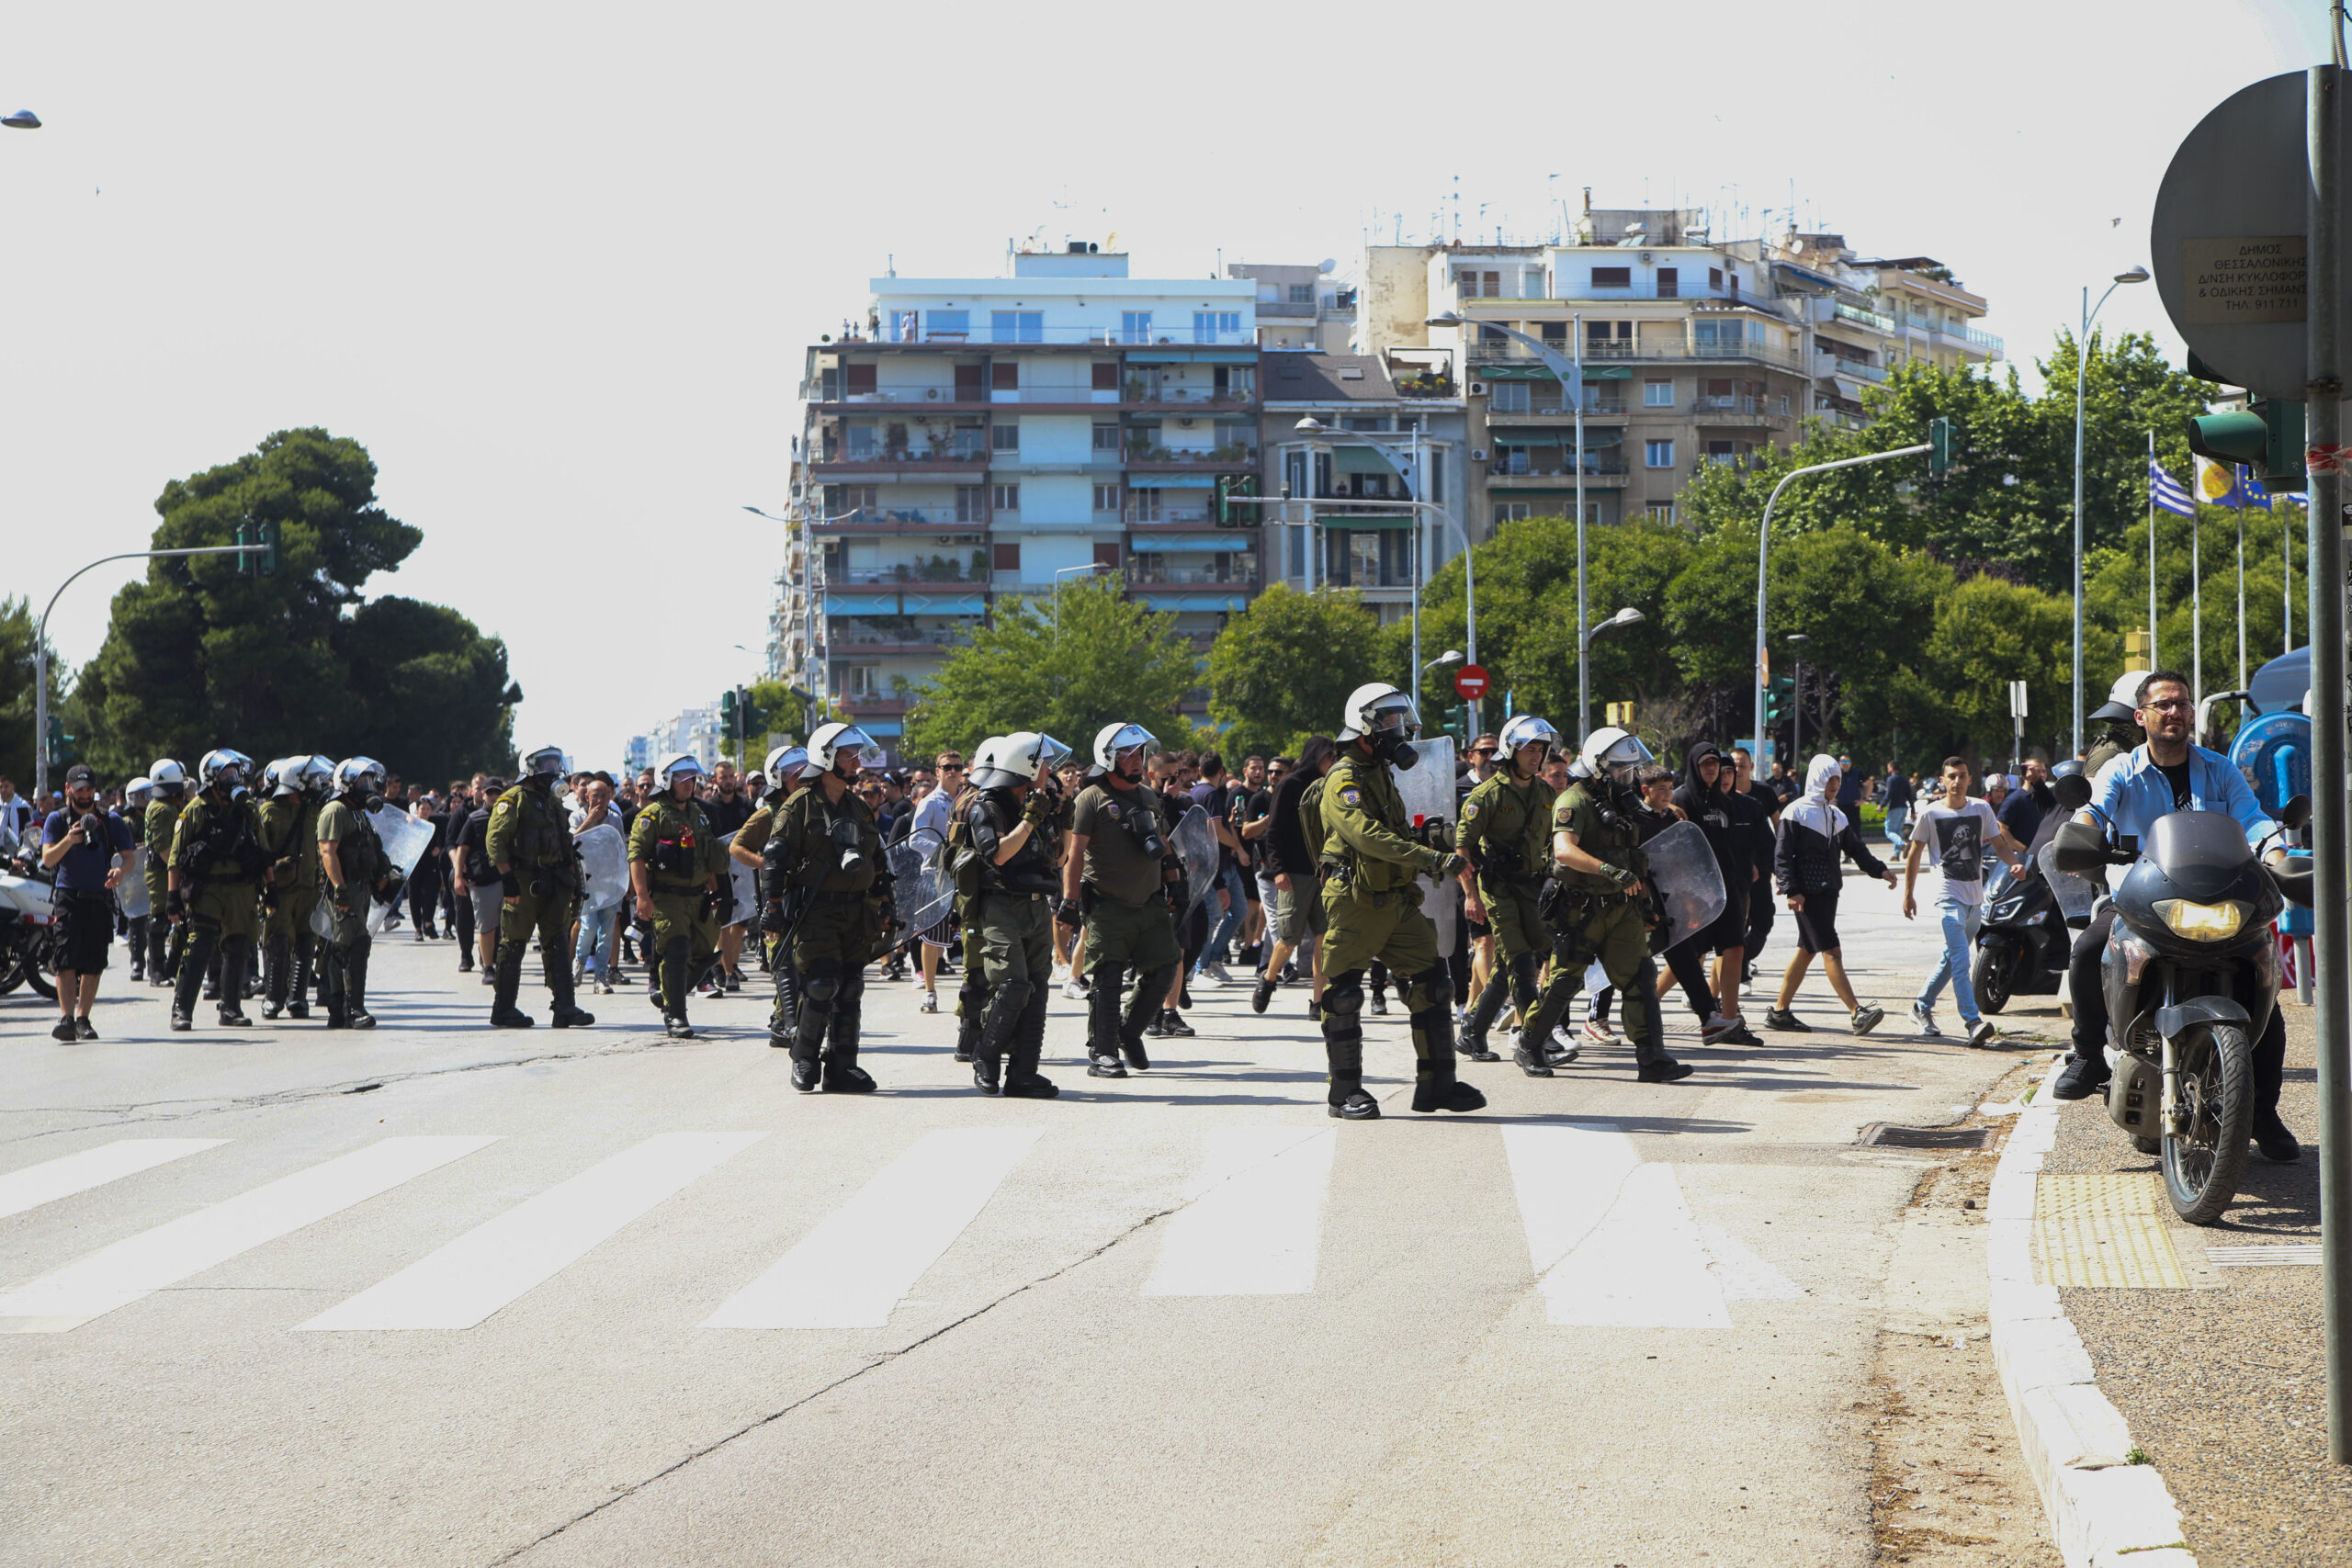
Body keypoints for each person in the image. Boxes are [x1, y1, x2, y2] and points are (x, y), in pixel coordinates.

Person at [2051, 671, 2301, 1162]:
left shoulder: (2220, 769)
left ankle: (2263, 1112)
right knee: (2084, 951)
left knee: (2263, 985)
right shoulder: (2120, 771)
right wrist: (2082, 831)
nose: (2175, 712)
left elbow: (2251, 819)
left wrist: (2275, 853)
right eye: (2164, 705)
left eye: (2183, 704)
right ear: (2141, 716)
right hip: (2141, 902)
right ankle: (2086, 1056)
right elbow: (2095, 813)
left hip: (2216, 898)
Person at [1314, 683, 1484, 1120]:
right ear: (1365, 727)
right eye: (1389, 720)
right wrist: (1431, 857)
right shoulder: (1343, 779)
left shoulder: (1379, 772)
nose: (1399, 728)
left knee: (1435, 984)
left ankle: (1437, 1085)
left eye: (1399, 719)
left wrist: (1426, 842)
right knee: (1345, 994)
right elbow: (1366, 836)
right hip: (1356, 899)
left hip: (1397, 899)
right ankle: (1343, 1093)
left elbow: (1395, 832)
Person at [1514, 728, 1692, 1084]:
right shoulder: (1573, 801)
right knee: (1565, 981)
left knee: (1640, 976)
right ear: (1599, 767)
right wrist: (1608, 870)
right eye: (1620, 770)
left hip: (1621, 906)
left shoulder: (1615, 804)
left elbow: (1632, 856)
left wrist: (1643, 905)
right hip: (1581, 909)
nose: (1626, 778)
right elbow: (1564, 850)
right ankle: (1530, 1044)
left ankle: (1651, 1058)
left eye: (1629, 770)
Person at [766, 724, 887, 1089]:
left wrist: (886, 903)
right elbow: (775, 858)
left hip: (855, 912)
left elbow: (877, 860)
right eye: (848, 755)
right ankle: (803, 1059)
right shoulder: (799, 805)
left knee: (851, 987)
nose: (856, 762)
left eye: (855, 754)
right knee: (820, 986)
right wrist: (772, 909)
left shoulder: (858, 807)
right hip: (815, 911)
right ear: (827, 758)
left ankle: (841, 1066)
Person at [1064, 722, 1182, 1082]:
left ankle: (1129, 1031)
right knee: (1108, 979)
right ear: (1108, 758)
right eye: (1128, 755)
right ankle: (1102, 1052)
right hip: (1107, 904)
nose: (1136, 761)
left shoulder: (1148, 796)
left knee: (1166, 966)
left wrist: (1174, 884)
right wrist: (1069, 902)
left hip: (1149, 902)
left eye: (1139, 754)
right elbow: (1076, 852)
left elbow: (1163, 844)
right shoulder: (1090, 798)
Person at [958, 731, 1068, 1092]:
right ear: (1028, 766)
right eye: (1045, 764)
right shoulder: (986, 806)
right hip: (1001, 906)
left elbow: (1061, 857)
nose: (1050, 771)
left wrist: (1059, 812)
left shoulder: (1036, 804)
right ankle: (986, 1054)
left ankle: (1023, 1073)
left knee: (1037, 989)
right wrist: (1031, 818)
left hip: (1038, 906)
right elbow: (999, 854)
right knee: (1012, 985)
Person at [1457, 714, 1563, 1075]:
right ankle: (1532, 1042)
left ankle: (1472, 1029)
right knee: (1521, 963)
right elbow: (1463, 849)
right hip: (1498, 889)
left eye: (1540, 749)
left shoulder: (1546, 792)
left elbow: (1552, 841)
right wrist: (1471, 896)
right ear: (1511, 751)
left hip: (1532, 888)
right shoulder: (1485, 796)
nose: (1536, 757)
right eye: (1528, 749)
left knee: (1510, 964)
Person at [1764, 755, 1895, 1034]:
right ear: (1816, 779)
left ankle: (1779, 1012)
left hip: (1829, 893)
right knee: (1831, 950)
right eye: (1829, 779)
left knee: (1807, 950)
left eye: (1837, 778)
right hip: (1807, 896)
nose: (1835, 784)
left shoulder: (1837, 815)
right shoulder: (1794, 812)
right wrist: (1792, 890)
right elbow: (1782, 856)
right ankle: (1856, 1012)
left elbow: (1857, 850)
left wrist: (1880, 870)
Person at [1902, 755, 2026, 1047]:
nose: (1957, 781)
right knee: (1961, 960)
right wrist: (1908, 894)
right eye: (1951, 776)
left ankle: (1921, 1006)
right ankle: (1972, 1021)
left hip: (1974, 898)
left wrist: (2013, 864)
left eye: (1962, 775)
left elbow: (1999, 843)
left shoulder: (1981, 808)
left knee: (1950, 956)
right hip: (1947, 896)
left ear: (1970, 780)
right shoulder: (1931, 814)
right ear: (1942, 781)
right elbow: (1914, 854)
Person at [486, 746, 596, 1030]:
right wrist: (507, 878)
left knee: (557, 941)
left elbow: (564, 840)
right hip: (522, 881)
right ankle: (504, 1009)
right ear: (530, 767)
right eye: (546, 762)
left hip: (554, 880)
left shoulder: (553, 802)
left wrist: (572, 876)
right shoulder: (513, 800)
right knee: (514, 944)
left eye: (554, 761)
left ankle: (565, 1007)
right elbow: (495, 841)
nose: (553, 767)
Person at [167, 749, 266, 1032]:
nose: (232, 779)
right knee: (199, 946)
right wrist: (173, 897)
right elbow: (175, 858)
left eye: (234, 773)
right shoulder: (196, 809)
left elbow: (262, 850)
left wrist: (269, 886)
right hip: (207, 890)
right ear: (211, 778)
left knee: (238, 947)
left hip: (241, 890)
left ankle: (231, 1008)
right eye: (225, 774)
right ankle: (182, 1010)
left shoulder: (246, 808)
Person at [630, 753, 728, 1040]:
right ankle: (676, 1016)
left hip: (698, 897)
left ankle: (668, 993)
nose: (689, 783)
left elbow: (709, 855)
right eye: (681, 778)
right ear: (666, 781)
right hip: (667, 897)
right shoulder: (652, 816)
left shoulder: (698, 813)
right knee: (677, 950)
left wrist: (717, 891)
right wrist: (642, 896)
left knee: (704, 954)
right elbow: (636, 856)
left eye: (691, 777)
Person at [1668, 743, 1758, 1045]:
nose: (1711, 769)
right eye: (1705, 764)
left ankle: (1729, 1022)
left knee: (1734, 949)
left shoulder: (1724, 800)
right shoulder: (1681, 798)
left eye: (1715, 764)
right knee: (1685, 958)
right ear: (1694, 765)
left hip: (1725, 886)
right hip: (1693, 892)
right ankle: (1646, 1008)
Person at [39, 764, 137, 1042]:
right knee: (65, 960)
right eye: (80, 789)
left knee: (94, 962)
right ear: (68, 789)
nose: (86, 794)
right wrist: (69, 840)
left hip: (99, 898)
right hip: (68, 897)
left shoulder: (110, 820)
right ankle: (66, 1018)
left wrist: (120, 871)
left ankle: (83, 1019)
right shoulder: (57, 821)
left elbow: (129, 856)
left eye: (90, 789)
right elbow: (48, 859)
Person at [729, 744, 811, 1044]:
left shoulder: (812, 805)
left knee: (804, 961)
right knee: (784, 961)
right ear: (779, 779)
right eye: (794, 774)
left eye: (805, 771)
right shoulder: (769, 813)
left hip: (808, 896)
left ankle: (784, 1021)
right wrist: (766, 863)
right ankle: (786, 1023)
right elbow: (737, 847)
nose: (802, 777)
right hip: (778, 899)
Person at [315, 756, 395, 1029]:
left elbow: (370, 848)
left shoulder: (358, 813)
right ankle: (351, 1009)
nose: (367, 786)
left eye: (369, 781)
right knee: (350, 946)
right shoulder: (335, 810)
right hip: (344, 888)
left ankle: (340, 1011)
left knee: (349, 945)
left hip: (360, 888)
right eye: (362, 781)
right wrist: (340, 889)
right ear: (346, 783)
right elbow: (328, 851)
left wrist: (381, 874)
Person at [258, 755, 330, 1021]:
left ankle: (297, 999)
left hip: (309, 888)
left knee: (305, 942)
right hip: (280, 889)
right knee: (277, 943)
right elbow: (261, 852)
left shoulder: (314, 810)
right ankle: (273, 998)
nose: (316, 784)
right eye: (310, 780)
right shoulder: (269, 811)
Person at [569, 773, 625, 995]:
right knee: (588, 925)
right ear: (586, 796)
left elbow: (621, 849)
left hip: (610, 882)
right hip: (587, 882)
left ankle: (602, 976)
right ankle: (579, 964)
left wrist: (626, 881)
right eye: (595, 795)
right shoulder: (575, 817)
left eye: (604, 795)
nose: (599, 800)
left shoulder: (615, 819)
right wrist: (590, 820)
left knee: (607, 931)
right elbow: (571, 842)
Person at [702, 761, 756, 994]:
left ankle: (730, 963)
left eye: (730, 776)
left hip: (744, 870)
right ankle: (727, 972)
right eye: (722, 777)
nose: (727, 781)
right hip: (721, 869)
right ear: (715, 781)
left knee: (742, 920)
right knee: (725, 919)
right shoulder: (708, 808)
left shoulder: (746, 806)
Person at [141, 760, 189, 987]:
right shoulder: (161, 809)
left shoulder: (165, 805)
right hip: (162, 871)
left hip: (166, 868)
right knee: (160, 918)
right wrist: (178, 870)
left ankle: (169, 968)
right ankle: (157, 971)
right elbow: (163, 847)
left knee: (178, 917)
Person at [452, 779, 503, 985]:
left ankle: (504, 965)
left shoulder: (511, 816)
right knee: (486, 927)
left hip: (508, 879)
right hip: (483, 880)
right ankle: (488, 967)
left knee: (509, 928)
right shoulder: (475, 819)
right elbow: (462, 849)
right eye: (489, 792)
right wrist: (458, 876)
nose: (493, 796)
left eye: (497, 792)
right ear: (483, 795)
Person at [1998, 759, 2050, 848]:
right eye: (2037, 771)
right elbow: (2001, 828)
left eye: (2044, 771)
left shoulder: (2048, 798)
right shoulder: (2014, 800)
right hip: (2023, 857)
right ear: (2026, 773)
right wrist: (2023, 849)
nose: (2042, 775)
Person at [1880, 761, 1915, 848]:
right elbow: (1910, 796)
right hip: (1904, 808)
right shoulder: (1905, 780)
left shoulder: (1891, 779)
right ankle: (1896, 854)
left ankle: (1903, 844)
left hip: (1895, 808)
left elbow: (1889, 794)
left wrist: (1881, 805)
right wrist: (1913, 811)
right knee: (1898, 831)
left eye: (1888, 767)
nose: (1887, 769)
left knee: (1889, 831)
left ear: (1891, 768)